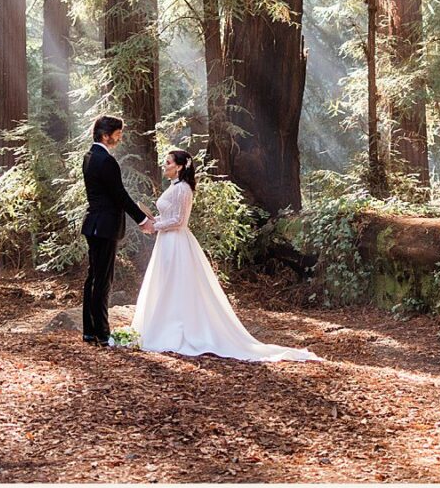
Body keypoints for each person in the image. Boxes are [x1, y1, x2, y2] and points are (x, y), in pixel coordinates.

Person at [132, 148, 319, 362]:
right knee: (165, 283)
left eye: (168, 162)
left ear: (181, 166)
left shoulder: (183, 189)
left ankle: (179, 330)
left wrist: (155, 227)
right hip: (166, 242)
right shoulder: (174, 187)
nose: (164, 166)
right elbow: (169, 215)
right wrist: (155, 221)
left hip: (176, 242)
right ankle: (163, 325)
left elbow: (179, 221)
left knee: (177, 283)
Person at [81, 115, 153, 346]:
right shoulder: (106, 161)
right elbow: (120, 195)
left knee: (93, 278)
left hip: (93, 224)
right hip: (105, 226)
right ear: (105, 135)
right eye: (117, 134)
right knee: (102, 280)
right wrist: (142, 219)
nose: (120, 138)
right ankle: (102, 334)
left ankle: (89, 331)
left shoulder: (89, 157)